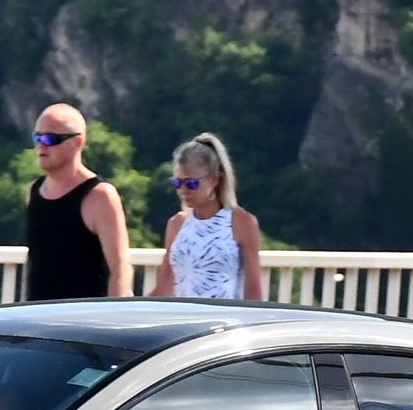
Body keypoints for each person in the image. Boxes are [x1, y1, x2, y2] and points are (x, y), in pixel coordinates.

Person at [22, 103, 131, 299]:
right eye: (37, 137)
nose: (41, 145)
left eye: (50, 138)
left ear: (77, 142)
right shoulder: (34, 191)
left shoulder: (100, 195)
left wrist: (113, 318)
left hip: (83, 320)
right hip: (37, 319)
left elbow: (120, 266)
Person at [155, 132, 263, 300]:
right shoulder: (176, 224)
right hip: (181, 319)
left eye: (191, 183)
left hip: (223, 320)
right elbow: (163, 289)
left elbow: (253, 290)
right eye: (177, 183)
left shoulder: (242, 223)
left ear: (214, 180)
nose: (183, 190)